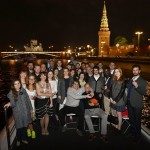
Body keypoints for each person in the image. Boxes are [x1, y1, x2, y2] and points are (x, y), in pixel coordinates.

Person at [6, 79, 33, 147]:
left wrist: (31, 109)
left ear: (20, 84)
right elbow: (13, 104)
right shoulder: (11, 93)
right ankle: (18, 139)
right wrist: (9, 103)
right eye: (15, 84)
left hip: (26, 111)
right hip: (18, 113)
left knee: (25, 126)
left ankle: (23, 139)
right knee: (19, 127)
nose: (17, 85)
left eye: (18, 83)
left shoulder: (23, 90)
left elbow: (28, 100)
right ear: (13, 85)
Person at [126, 64, 147, 142]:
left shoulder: (142, 80)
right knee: (131, 120)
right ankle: (132, 132)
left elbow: (143, 92)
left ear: (139, 71)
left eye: (136, 70)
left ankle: (137, 136)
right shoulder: (131, 79)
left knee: (137, 121)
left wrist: (137, 86)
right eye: (133, 70)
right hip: (129, 103)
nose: (135, 71)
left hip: (137, 104)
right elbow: (128, 90)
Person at [109, 67, 127, 132]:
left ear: (120, 72)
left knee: (119, 114)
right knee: (114, 113)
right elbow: (110, 89)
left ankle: (119, 128)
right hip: (112, 99)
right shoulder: (114, 79)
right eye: (115, 72)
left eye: (118, 71)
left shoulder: (123, 80)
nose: (116, 73)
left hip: (119, 100)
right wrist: (110, 97)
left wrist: (115, 100)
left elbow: (122, 92)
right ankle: (115, 126)